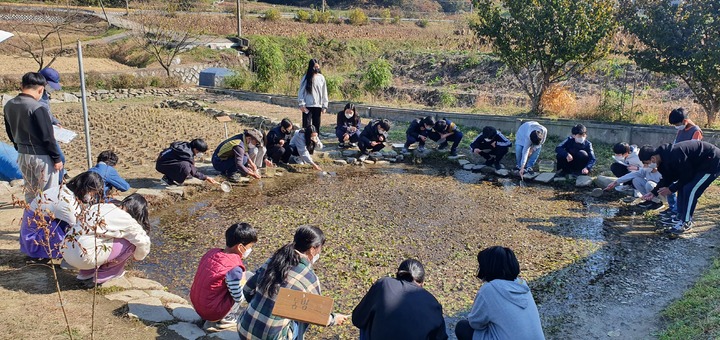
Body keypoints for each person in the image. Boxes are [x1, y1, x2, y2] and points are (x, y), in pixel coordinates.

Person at [238, 225, 349, 339]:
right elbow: (317, 315)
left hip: (243, 330)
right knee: (303, 314)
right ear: (312, 249)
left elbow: (247, 289)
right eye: (320, 248)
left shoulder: (273, 260)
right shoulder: (309, 276)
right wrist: (334, 319)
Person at [455, 246, 544, 340]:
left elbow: (475, 323)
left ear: (488, 268)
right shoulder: (522, 285)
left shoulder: (489, 289)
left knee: (462, 327)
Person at [62, 193, 151, 283]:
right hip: (83, 257)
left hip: (65, 249)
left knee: (94, 237)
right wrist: (138, 256)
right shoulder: (128, 221)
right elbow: (144, 242)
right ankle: (106, 274)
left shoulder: (100, 206)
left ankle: (86, 273)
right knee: (131, 243)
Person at [4, 72, 63, 203]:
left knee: (31, 194)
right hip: (41, 157)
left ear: (22, 86)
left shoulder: (9, 105)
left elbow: (10, 132)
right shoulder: (37, 107)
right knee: (48, 196)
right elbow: (47, 137)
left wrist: (18, 147)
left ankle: (31, 222)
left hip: (22, 155)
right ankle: (46, 223)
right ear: (41, 89)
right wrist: (57, 158)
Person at [352, 259, 448, 340]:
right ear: (422, 282)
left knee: (367, 316)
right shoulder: (433, 303)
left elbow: (357, 319)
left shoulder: (384, 284)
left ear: (398, 275)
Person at [640, 140, 720, 237]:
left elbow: (687, 175)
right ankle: (680, 217)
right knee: (682, 188)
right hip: (696, 166)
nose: (647, 166)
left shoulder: (674, 154)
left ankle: (686, 222)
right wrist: (653, 192)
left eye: (646, 163)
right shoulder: (661, 161)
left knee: (690, 190)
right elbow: (667, 178)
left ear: (653, 158)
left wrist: (671, 189)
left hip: (712, 162)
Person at [20, 171, 104, 261]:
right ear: (85, 189)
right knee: (77, 234)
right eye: (93, 193)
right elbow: (80, 227)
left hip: (31, 232)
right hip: (34, 240)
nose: (92, 197)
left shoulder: (64, 189)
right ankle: (45, 254)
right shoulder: (67, 204)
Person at [190, 223, 257, 332]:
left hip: (198, 305)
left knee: (247, 275)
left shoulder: (212, 252)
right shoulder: (234, 268)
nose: (250, 250)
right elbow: (238, 297)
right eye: (250, 247)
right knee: (250, 280)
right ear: (241, 247)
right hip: (212, 311)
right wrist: (249, 289)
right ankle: (226, 319)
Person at [658, 107, 703, 225]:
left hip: (687, 166)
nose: (676, 127)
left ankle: (682, 215)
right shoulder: (680, 130)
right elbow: (675, 145)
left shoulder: (696, 131)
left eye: (677, 124)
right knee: (670, 184)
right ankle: (674, 209)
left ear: (685, 121)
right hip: (677, 163)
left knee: (682, 189)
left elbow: (695, 151)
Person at [604, 145, 663, 210]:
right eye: (643, 163)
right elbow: (632, 174)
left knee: (649, 184)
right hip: (652, 191)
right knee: (636, 180)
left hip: (662, 193)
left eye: (646, 163)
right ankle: (650, 200)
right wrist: (615, 182)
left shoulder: (663, 170)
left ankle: (658, 202)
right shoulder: (646, 169)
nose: (644, 165)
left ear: (653, 159)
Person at [39, 67, 66, 183]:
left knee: (59, 159)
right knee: (59, 158)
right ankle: (57, 184)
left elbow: (47, 112)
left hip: (49, 129)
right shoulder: (37, 97)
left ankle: (57, 182)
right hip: (44, 134)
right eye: (50, 84)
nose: (51, 88)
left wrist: (55, 121)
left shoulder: (44, 94)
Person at [297, 59, 328, 133]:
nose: (316, 69)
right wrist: (301, 104)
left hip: (318, 105)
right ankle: (306, 142)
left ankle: (316, 142)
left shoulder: (321, 78)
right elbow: (301, 91)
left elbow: (324, 92)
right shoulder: (305, 77)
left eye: (317, 67)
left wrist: (325, 105)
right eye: (314, 67)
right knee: (306, 126)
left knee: (316, 125)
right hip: (307, 105)